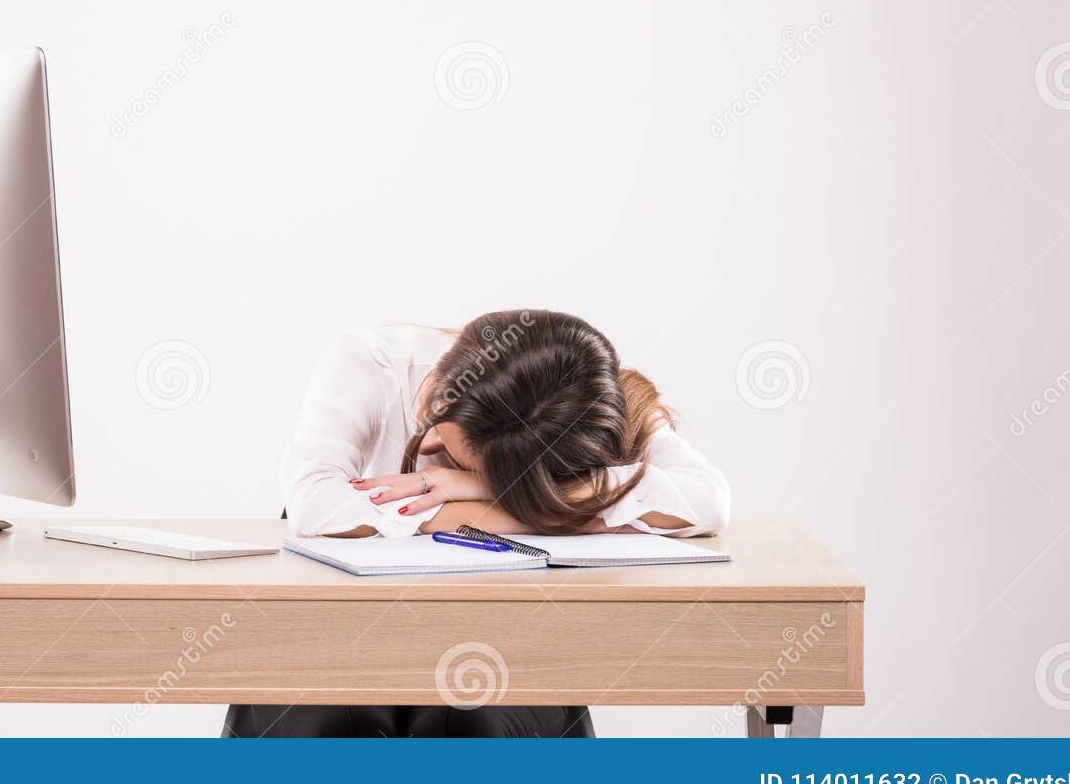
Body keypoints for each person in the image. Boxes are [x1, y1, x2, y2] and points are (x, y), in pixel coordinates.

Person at [222, 309, 730, 738]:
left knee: (475, 726)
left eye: (460, 464)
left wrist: (483, 492)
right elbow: (314, 504)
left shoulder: (596, 408)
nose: (429, 451)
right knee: (331, 722)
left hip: (500, 636)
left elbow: (708, 499)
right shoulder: (373, 362)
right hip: (341, 632)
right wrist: (531, 508)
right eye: (438, 429)